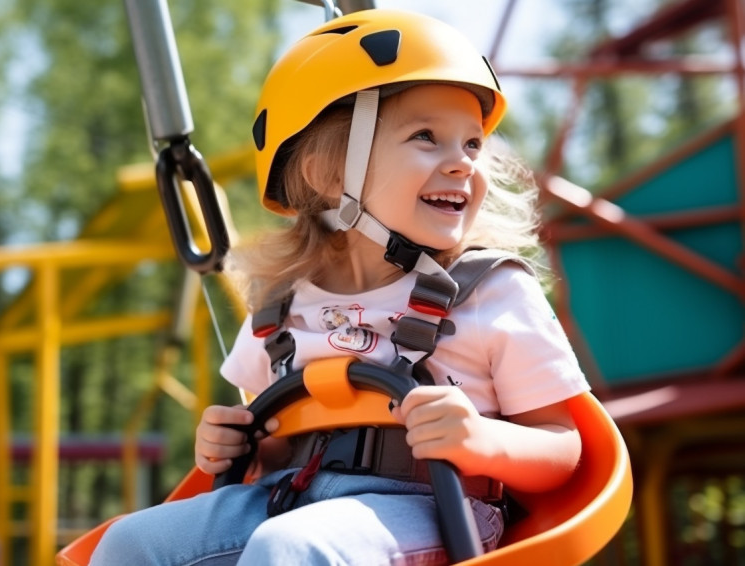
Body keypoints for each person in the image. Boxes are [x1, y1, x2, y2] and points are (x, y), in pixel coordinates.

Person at [91, 8, 589, 565]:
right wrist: (233, 443)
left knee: (292, 549)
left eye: (472, 144)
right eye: (427, 137)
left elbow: (565, 448)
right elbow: (277, 445)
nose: (462, 165)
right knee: (128, 544)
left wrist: (481, 438)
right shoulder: (281, 308)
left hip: (431, 509)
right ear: (330, 176)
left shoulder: (489, 294)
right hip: (289, 500)